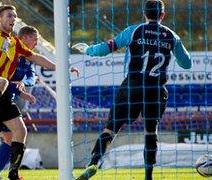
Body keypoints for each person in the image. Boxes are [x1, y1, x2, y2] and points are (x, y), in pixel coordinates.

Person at [75, 1, 192, 180]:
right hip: (156, 90)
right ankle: (148, 175)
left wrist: (89, 50)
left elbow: (108, 47)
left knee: (111, 128)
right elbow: (187, 63)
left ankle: (93, 163)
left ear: (144, 14)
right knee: (151, 131)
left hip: (132, 87)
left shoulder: (134, 30)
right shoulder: (171, 35)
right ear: (162, 15)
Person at [0, 1, 56, 179]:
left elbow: (36, 57)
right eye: (9, 15)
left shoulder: (15, 43)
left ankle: (12, 173)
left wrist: (62, 67)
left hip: (1, 94)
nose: (13, 19)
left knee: (19, 131)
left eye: (15, 16)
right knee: (1, 81)